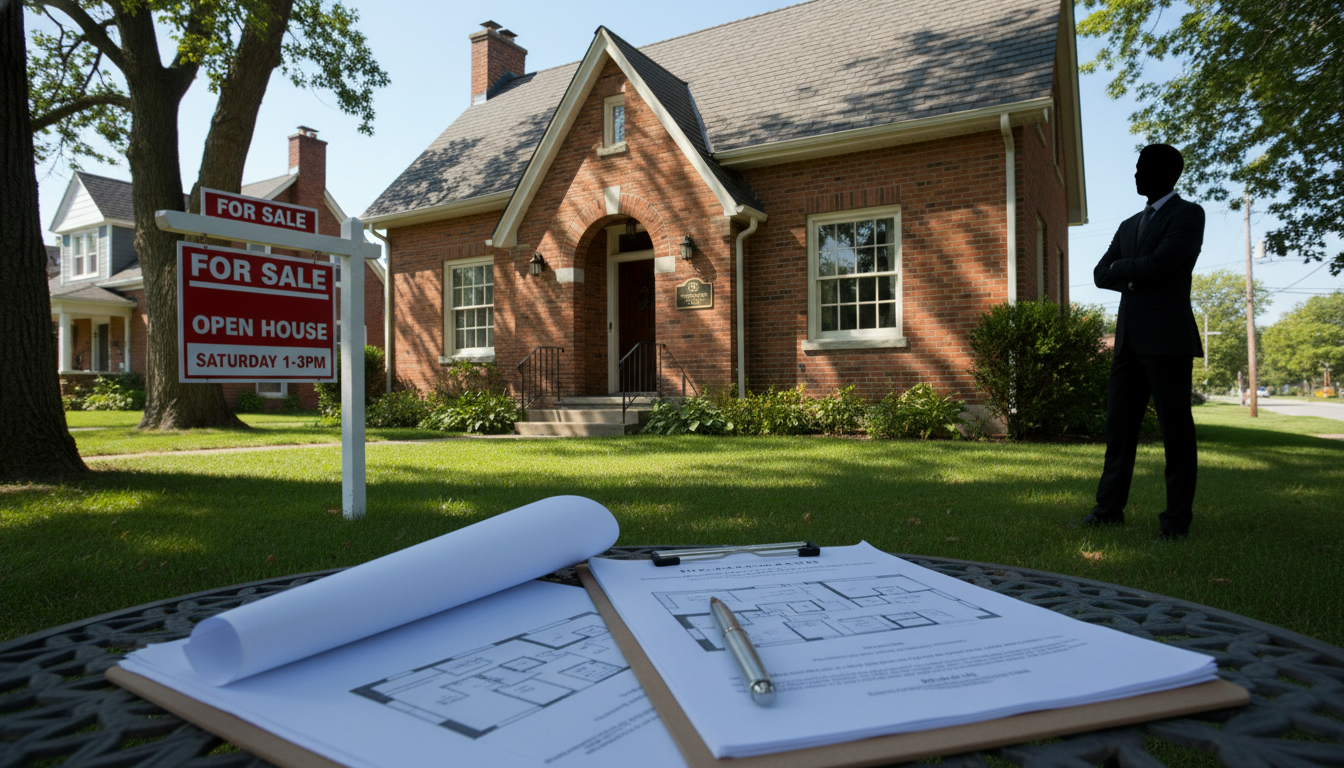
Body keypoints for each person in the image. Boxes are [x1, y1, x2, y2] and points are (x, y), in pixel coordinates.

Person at [1082, 144, 1205, 539]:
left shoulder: (1188, 214)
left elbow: (1168, 263)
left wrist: (1126, 272)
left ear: (1166, 173)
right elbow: (1100, 273)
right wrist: (1135, 273)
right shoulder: (1129, 224)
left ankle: (1175, 521)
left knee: (1176, 432)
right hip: (1128, 342)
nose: (1135, 175)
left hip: (1168, 340)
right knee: (1118, 429)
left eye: (1141, 169)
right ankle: (1107, 510)